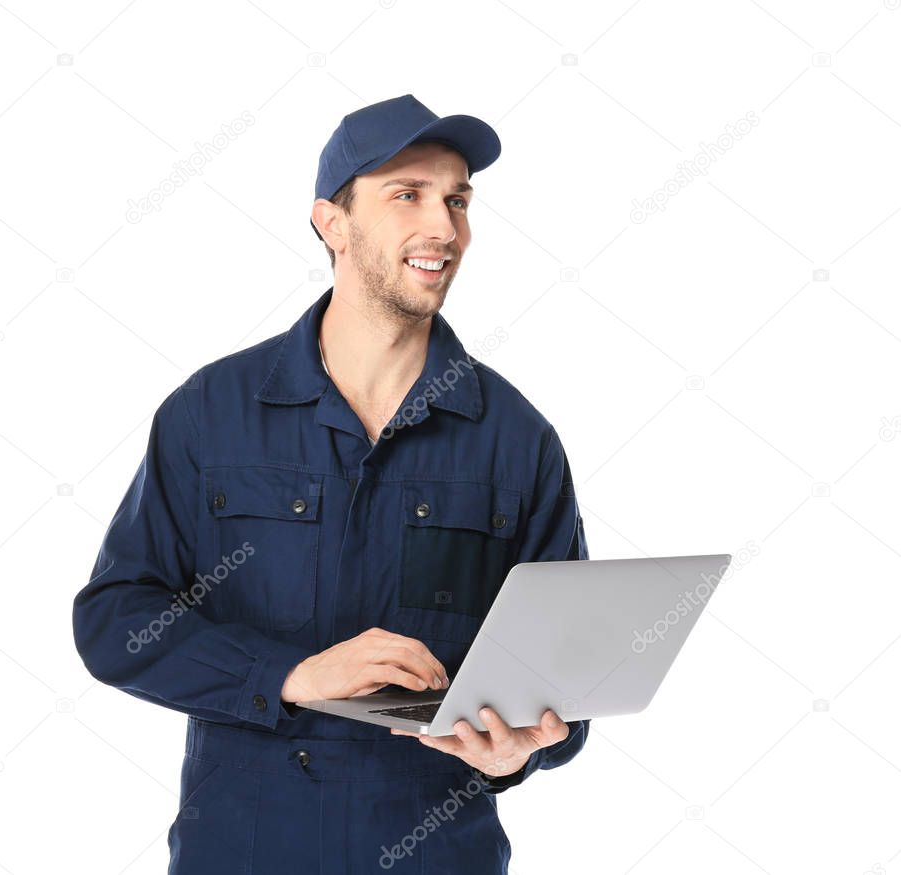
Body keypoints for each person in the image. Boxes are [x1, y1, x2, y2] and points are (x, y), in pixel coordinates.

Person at [72, 93, 591, 875]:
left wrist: (515, 753)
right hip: (244, 851)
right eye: (406, 195)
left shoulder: (516, 440)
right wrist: (286, 673)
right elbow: (115, 621)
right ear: (331, 222)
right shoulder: (211, 414)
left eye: (456, 200)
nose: (444, 228)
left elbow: (563, 682)